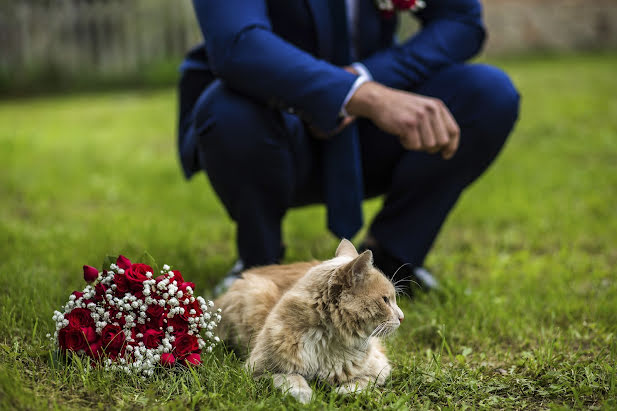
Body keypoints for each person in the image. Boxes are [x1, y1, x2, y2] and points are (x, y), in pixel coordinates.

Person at [177, 0, 520, 294]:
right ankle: (259, 264)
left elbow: (462, 21)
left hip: (371, 129)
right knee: (229, 113)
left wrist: (369, 77)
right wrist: (349, 93)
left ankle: (392, 260)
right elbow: (238, 44)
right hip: (269, 117)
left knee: (487, 94)